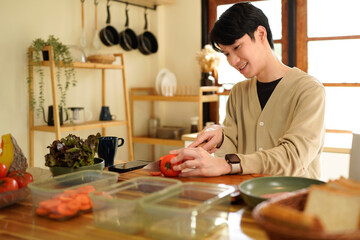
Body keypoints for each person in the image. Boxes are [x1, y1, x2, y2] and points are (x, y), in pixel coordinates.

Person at [169, 2, 325, 179]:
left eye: (236, 47)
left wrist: (228, 164)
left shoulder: (309, 90)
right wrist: (220, 139)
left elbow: (293, 157)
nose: (233, 61)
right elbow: (232, 153)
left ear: (260, 34)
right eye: (226, 53)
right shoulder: (238, 93)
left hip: (294, 202)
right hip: (247, 200)